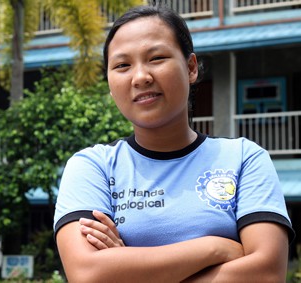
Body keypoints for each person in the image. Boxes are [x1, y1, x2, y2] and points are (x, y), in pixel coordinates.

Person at [53, 4, 294, 282]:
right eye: (122, 65)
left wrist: (128, 268)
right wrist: (214, 247)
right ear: (109, 82)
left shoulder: (244, 159)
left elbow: (266, 274)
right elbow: (87, 274)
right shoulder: (93, 167)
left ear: (191, 68)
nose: (141, 77)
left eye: (156, 58)